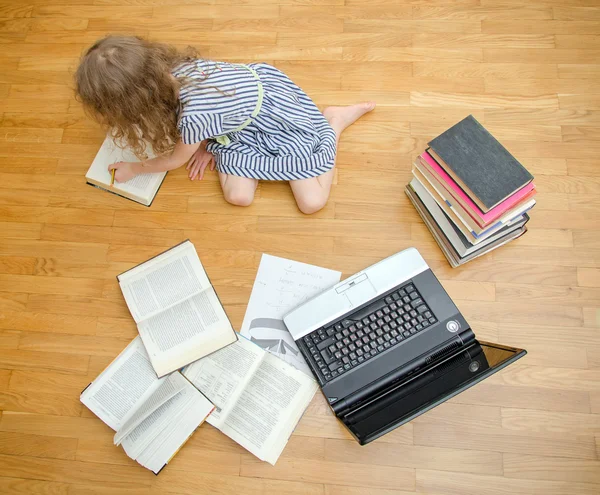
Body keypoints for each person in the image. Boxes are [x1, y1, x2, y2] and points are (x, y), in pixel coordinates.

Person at [75, 36, 375, 214]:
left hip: (277, 121)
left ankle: (333, 122)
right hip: (239, 123)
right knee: (238, 196)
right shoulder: (172, 68)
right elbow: (213, 112)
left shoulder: (193, 116)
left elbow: (175, 160)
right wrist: (206, 142)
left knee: (312, 202)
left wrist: (134, 168)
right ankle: (218, 141)